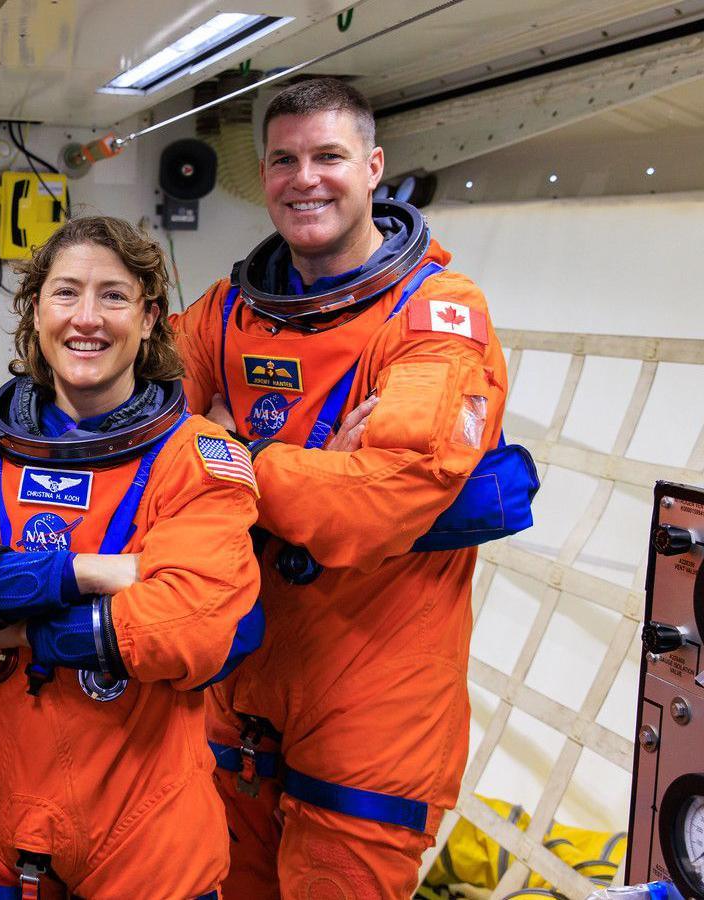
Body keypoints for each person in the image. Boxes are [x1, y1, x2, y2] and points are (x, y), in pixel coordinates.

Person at [172, 78, 517, 898]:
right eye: (285, 160)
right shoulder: (224, 314)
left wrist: (233, 450)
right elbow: (137, 446)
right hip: (240, 691)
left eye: (329, 156)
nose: (306, 179)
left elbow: (376, 500)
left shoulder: (437, 318)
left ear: (373, 168)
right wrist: (312, 463)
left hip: (376, 703)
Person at [0, 216, 264, 899]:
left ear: (151, 318)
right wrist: (86, 572)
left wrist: (12, 618)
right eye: (66, 293)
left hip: (148, 839)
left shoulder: (199, 459)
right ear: (36, 312)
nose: (86, 318)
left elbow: (193, 624)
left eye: (114, 297)